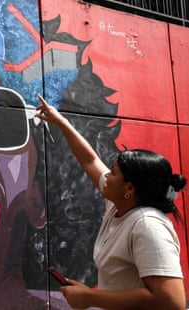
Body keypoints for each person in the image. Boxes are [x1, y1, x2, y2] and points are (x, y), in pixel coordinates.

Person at [36, 94, 187, 310]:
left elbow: (172, 302)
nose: (106, 176)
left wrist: (90, 298)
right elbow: (90, 160)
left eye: (113, 173)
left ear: (129, 188)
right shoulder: (119, 206)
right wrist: (61, 122)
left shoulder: (147, 226)